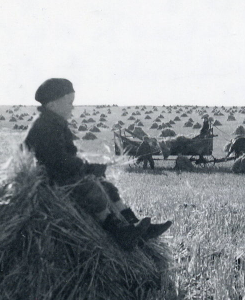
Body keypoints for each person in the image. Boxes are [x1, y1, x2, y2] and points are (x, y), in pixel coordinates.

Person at [24, 78, 171, 250]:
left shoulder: (55, 123)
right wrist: (87, 167)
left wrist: (89, 168)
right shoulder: (45, 126)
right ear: (52, 105)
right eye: (69, 102)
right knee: (92, 190)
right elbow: (58, 160)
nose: (73, 107)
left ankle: (135, 224)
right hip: (51, 179)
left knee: (107, 186)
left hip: (62, 173)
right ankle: (119, 232)